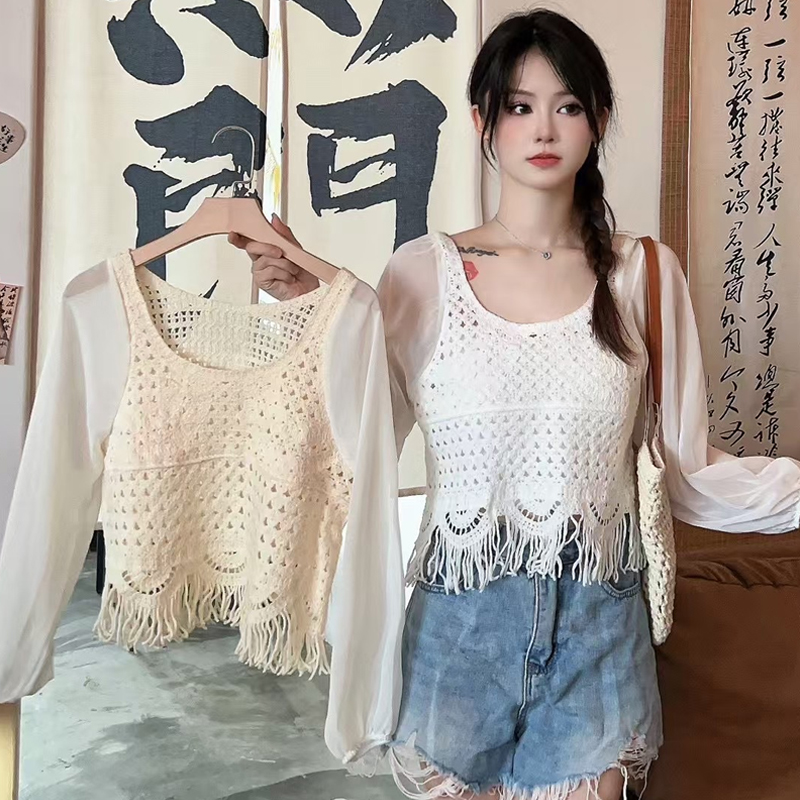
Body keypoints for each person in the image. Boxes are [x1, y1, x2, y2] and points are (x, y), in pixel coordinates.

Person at [230, 9, 800, 800]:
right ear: (482, 122)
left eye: (568, 106)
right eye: (520, 106)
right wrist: (311, 308)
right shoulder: (421, 272)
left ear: (599, 121)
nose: (544, 128)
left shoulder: (644, 274)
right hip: (456, 634)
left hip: (600, 633)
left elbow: (690, 471)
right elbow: (358, 437)